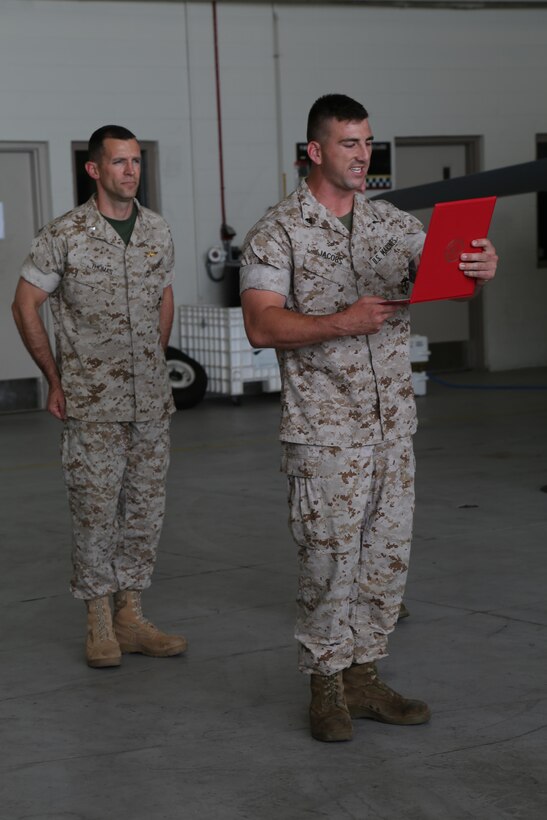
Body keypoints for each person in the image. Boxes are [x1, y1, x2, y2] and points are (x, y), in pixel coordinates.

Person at [239, 94, 497, 742]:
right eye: (349, 144)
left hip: (392, 430)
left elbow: (445, 276)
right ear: (314, 151)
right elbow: (259, 322)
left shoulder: (392, 225)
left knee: (384, 563)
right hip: (324, 432)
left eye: (367, 143)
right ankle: (324, 687)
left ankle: (363, 677)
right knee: (328, 566)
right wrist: (338, 322)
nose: (363, 156)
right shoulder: (279, 230)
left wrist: (478, 269)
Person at [12, 125, 187, 669]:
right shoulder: (64, 234)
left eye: (136, 161)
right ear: (95, 169)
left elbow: (164, 293)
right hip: (92, 403)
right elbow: (24, 305)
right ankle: (98, 622)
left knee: (144, 511)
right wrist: (54, 378)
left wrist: (154, 361)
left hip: (151, 404)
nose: (131, 171)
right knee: (94, 512)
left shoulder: (157, 228)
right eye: (119, 162)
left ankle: (130, 615)